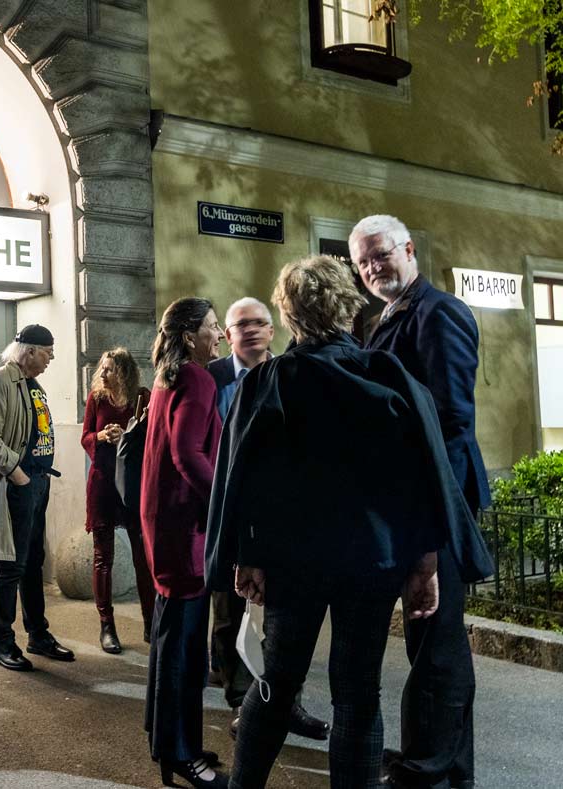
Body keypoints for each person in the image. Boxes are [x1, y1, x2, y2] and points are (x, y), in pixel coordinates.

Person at [205, 255, 493, 789]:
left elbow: (245, 481)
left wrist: (245, 559)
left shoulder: (270, 380)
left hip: (294, 563)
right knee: (359, 694)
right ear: (348, 305)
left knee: (276, 684)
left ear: (287, 314)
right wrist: (424, 564)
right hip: (372, 562)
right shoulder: (389, 378)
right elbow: (421, 482)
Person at [350, 215, 493, 789]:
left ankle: (429, 769)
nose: (372, 268)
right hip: (413, 504)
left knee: (435, 641)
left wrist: (435, 531)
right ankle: (445, 765)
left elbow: (452, 425)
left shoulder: (439, 313)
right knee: (432, 638)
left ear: (408, 249)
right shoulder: (385, 316)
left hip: (440, 505)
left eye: (381, 255)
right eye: (363, 262)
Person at [206, 298, 329, 742]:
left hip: (281, 526)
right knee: (230, 615)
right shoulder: (213, 380)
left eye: (260, 322)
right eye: (243, 324)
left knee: (280, 624)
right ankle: (243, 705)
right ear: (228, 334)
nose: (253, 330)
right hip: (232, 517)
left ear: (273, 330)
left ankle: (286, 703)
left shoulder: (291, 373)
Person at [140, 298, 229, 789]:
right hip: (186, 532)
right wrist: (222, 504)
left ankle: (170, 743)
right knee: (185, 650)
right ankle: (182, 753)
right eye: (213, 327)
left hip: (166, 526)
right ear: (191, 333)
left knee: (170, 639)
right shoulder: (197, 378)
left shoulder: (168, 377)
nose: (219, 336)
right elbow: (187, 453)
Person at [0, 325, 73, 671]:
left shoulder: (31, 383)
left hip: (38, 483)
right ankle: (2, 642)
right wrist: (18, 473)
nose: (50, 360)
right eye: (48, 353)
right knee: (11, 565)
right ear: (29, 351)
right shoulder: (0, 381)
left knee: (32, 561)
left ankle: (38, 634)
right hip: (18, 484)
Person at [80, 347, 153, 654]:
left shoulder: (143, 397)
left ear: (124, 372)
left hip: (133, 483)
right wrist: (100, 436)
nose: (103, 374)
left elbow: (151, 439)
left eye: (109, 369)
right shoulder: (96, 399)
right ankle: (106, 626)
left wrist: (126, 435)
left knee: (143, 557)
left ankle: (152, 624)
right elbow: (85, 437)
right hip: (102, 482)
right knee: (102, 557)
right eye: (103, 369)